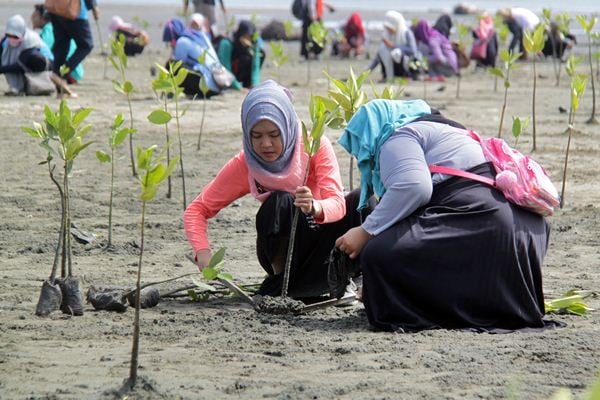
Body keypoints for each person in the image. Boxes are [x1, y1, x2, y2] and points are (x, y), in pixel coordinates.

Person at [334, 99, 552, 332]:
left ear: (374, 130)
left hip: (486, 221)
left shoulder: (397, 137)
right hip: (526, 234)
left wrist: (365, 232)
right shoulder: (450, 131)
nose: (362, 156)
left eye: (361, 145)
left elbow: (414, 188)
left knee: (377, 255)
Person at [184, 80, 364, 298]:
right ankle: (283, 284)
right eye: (256, 136)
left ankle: (340, 277)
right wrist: (202, 251)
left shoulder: (314, 146)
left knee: (365, 201)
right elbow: (197, 209)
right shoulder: (246, 164)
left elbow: (337, 204)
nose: (266, 144)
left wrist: (315, 206)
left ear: (287, 126)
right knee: (280, 201)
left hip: (326, 243)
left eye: (274, 134)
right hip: (285, 252)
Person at [172, 13, 239, 97]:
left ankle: (185, 92)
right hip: (219, 85)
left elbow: (179, 62)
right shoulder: (204, 38)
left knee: (173, 65)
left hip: (205, 87)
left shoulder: (183, 41)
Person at [0, 14, 53, 95]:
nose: (12, 39)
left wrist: (2, 69)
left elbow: (20, 65)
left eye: (15, 37)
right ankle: (16, 87)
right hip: (22, 63)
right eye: (9, 35)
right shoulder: (5, 42)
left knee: (29, 58)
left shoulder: (31, 40)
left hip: (44, 64)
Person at [31, 3, 84, 84]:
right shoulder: (54, 27)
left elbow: (42, 48)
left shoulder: (49, 29)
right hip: (74, 72)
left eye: (35, 16)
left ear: (43, 18)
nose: (32, 19)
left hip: (70, 74)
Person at [47, 0, 98, 82]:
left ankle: (56, 75)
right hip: (73, 10)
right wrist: (94, 7)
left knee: (61, 45)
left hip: (55, 9)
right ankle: (62, 74)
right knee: (86, 45)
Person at [368, 11, 420, 82]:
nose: (389, 30)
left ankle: (405, 76)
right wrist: (368, 71)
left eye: (390, 27)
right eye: (387, 27)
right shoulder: (387, 35)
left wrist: (394, 46)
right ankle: (387, 76)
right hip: (393, 66)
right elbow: (378, 56)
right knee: (383, 49)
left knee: (397, 52)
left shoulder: (406, 33)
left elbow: (413, 51)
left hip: (407, 64)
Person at [213, 20, 265, 89]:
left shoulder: (254, 44)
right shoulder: (227, 43)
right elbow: (225, 66)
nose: (247, 40)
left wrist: (255, 85)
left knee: (261, 54)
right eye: (244, 36)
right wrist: (237, 87)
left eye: (249, 37)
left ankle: (248, 84)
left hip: (238, 72)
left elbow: (255, 65)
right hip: (221, 72)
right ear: (240, 34)